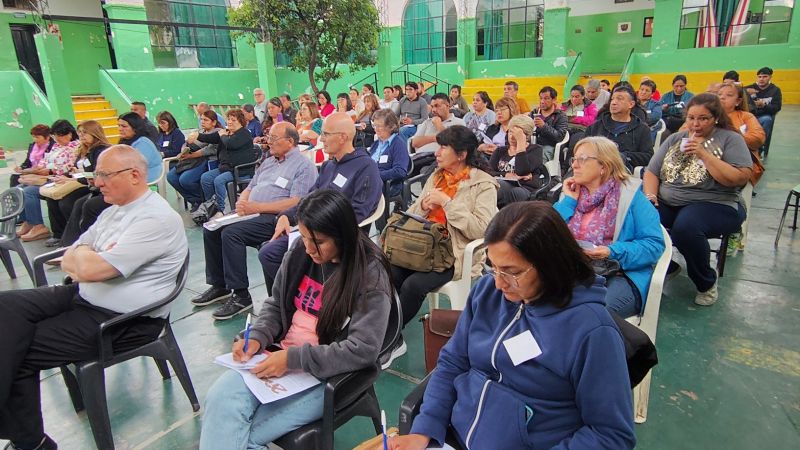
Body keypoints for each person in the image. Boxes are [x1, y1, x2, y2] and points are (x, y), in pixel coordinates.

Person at [388, 201, 635, 450]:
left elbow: (610, 435)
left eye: (511, 271)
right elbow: (454, 362)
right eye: (493, 267)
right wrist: (425, 428)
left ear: (550, 264)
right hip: (455, 436)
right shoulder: (487, 294)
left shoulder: (592, 331)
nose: (498, 283)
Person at [0, 145, 188, 450]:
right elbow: (75, 251)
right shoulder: (113, 210)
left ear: (135, 176)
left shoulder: (155, 219)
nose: (96, 182)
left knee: (17, 350)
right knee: (5, 310)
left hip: (121, 319)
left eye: (104, 174)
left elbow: (92, 267)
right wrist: (83, 259)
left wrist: (83, 260)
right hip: (83, 296)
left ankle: (30, 443)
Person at [199, 189, 393, 449]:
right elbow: (277, 303)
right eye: (303, 236)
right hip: (278, 356)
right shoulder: (300, 253)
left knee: (242, 437)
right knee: (219, 400)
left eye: (319, 241)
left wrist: (293, 359)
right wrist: (258, 336)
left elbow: (363, 350)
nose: (309, 247)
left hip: (325, 375)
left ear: (343, 236)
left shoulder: (369, 275)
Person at [390, 125, 498, 357]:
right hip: (422, 246)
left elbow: (482, 229)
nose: (437, 152)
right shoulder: (437, 176)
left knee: (413, 285)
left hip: (453, 253)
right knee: (388, 272)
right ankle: (385, 331)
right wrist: (423, 205)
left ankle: (391, 336)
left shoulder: (483, 184)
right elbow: (413, 213)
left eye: (443, 147)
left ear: (461, 154)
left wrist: (447, 203)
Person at [192, 123, 318, 320]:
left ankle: (241, 295)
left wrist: (256, 208)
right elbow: (251, 185)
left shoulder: (303, 166)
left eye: (275, 138)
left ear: (290, 141)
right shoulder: (268, 161)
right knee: (211, 228)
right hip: (250, 211)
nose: (269, 141)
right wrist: (242, 202)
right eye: (269, 137)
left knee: (231, 234)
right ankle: (219, 285)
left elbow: (297, 201)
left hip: (276, 218)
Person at [644, 93, 752, 306]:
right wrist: (651, 196)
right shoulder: (676, 138)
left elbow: (738, 178)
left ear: (716, 118)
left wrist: (704, 154)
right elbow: (652, 171)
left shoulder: (730, 139)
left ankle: (706, 282)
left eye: (703, 118)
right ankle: (668, 266)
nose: (696, 123)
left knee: (686, 227)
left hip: (715, 202)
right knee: (642, 217)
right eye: (692, 118)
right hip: (669, 199)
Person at [259, 113, 383, 293]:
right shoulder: (329, 166)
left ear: (343, 137)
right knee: (268, 248)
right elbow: (310, 198)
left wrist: (318, 227)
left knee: (269, 254)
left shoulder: (366, 167)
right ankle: (289, 300)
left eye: (326, 134)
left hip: (338, 238)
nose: (321, 139)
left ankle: (296, 297)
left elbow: (359, 212)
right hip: (314, 232)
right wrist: (287, 216)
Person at [555, 136, 664, 317]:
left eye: (582, 159)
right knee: (537, 302)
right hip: (574, 270)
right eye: (574, 159)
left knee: (591, 316)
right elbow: (547, 234)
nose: (574, 165)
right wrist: (567, 201)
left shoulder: (631, 197)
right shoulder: (571, 194)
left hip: (620, 274)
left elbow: (654, 245)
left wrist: (611, 251)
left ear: (603, 166)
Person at [44, 121, 110, 248]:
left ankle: (79, 243)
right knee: (59, 200)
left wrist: (78, 177)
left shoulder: (101, 150)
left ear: (94, 133)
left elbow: (99, 174)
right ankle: (65, 241)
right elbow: (82, 171)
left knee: (78, 203)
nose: (81, 135)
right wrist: (74, 174)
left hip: (97, 186)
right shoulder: (85, 149)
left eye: (85, 132)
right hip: (87, 183)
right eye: (79, 132)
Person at [16, 120, 79, 242]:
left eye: (58, 136)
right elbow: (45, 162)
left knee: (29, 192)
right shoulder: (56, 146)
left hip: (62, 179)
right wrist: (38, 169)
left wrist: (48, 171)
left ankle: (38, 226)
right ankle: (28, 222)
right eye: (54, 136)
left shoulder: (75, 147)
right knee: (19, 188)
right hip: (50, 177)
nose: (56, 139)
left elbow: (68, 167)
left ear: (69, 134)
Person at [196, 108, 258, 216]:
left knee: (219, 181)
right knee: (205, 178)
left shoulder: (244, 133)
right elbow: (211, 138)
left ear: (241, 122)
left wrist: (223, 135)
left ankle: (222, 210)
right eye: (228, 119)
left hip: (239, 169)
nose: (229, 122)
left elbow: (231, 144)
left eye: (233, 120)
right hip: (226, 167)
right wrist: (197, 136)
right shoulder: (227, 132)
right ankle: (211, 205)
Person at [585, 86, 654, 170]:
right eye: (612, 99)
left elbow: (648, 157)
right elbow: (583, 149)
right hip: (594, 169)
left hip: (622, 171)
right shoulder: (596, 126)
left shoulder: (642, 129)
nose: (613, 102)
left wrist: (624, 156)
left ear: (631, 104)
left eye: (619, 99)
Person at [168, 110, 222, 211]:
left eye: (206, 120)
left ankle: (201, 200)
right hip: (191, 160)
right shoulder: (199, 131)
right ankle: (194, 200)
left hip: (206, 161)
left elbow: (210, 149)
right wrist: (184, 149)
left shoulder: (217, 132)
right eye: (201, 119)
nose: (202, 122)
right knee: (171, 177)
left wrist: (191, 155)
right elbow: (186, 142)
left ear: (214, 122)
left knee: (185, 180)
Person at [489, 115, 546, 207]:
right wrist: (506, 175)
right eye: (510, 132)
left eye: (517, 135)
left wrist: (520, 145)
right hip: (502, 185)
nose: (511, 137)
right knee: (496, 185)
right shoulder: (500, 151)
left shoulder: (535, 149)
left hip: (524, 188)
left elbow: (521, 170)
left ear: (526, 136)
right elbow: (489, 172)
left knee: (513, 191)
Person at [368, 109, 411, 197]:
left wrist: (376, 175)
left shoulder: (398, 144)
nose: (376, 129)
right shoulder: (376, 144)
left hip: (389, 184)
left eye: (380, 126)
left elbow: (400, 171)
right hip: (371, 180)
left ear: (391, 126)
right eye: (375, 126)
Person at [745, 67, 782, 157]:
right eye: (759, 76)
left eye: (765, 76)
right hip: (749, 117)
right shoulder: (749, 88)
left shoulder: (775, 90)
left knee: (767, 120)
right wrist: (744, 92)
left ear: (770, 77)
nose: (761, 79)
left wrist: (764, 105)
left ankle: (759, 149)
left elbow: (777, 108)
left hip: (764, 117)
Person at [117, 112, 162, 183]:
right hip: (132, 176)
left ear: (135, 128)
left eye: (124, 126)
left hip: (146, 177)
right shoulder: (125, 141)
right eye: (119, 125)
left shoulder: (143, 143)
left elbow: (135, 167)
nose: (120, 129)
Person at [531, 86, 568, 162]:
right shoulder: (534, 112)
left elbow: (559, 137)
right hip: (532, 144)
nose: (542, 101)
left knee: (539, 156)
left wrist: (544, 126)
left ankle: (538, 174)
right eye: (541, 98)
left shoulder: (560, 116)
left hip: (549, 146)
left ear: (554, 100)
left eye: (546, 98)